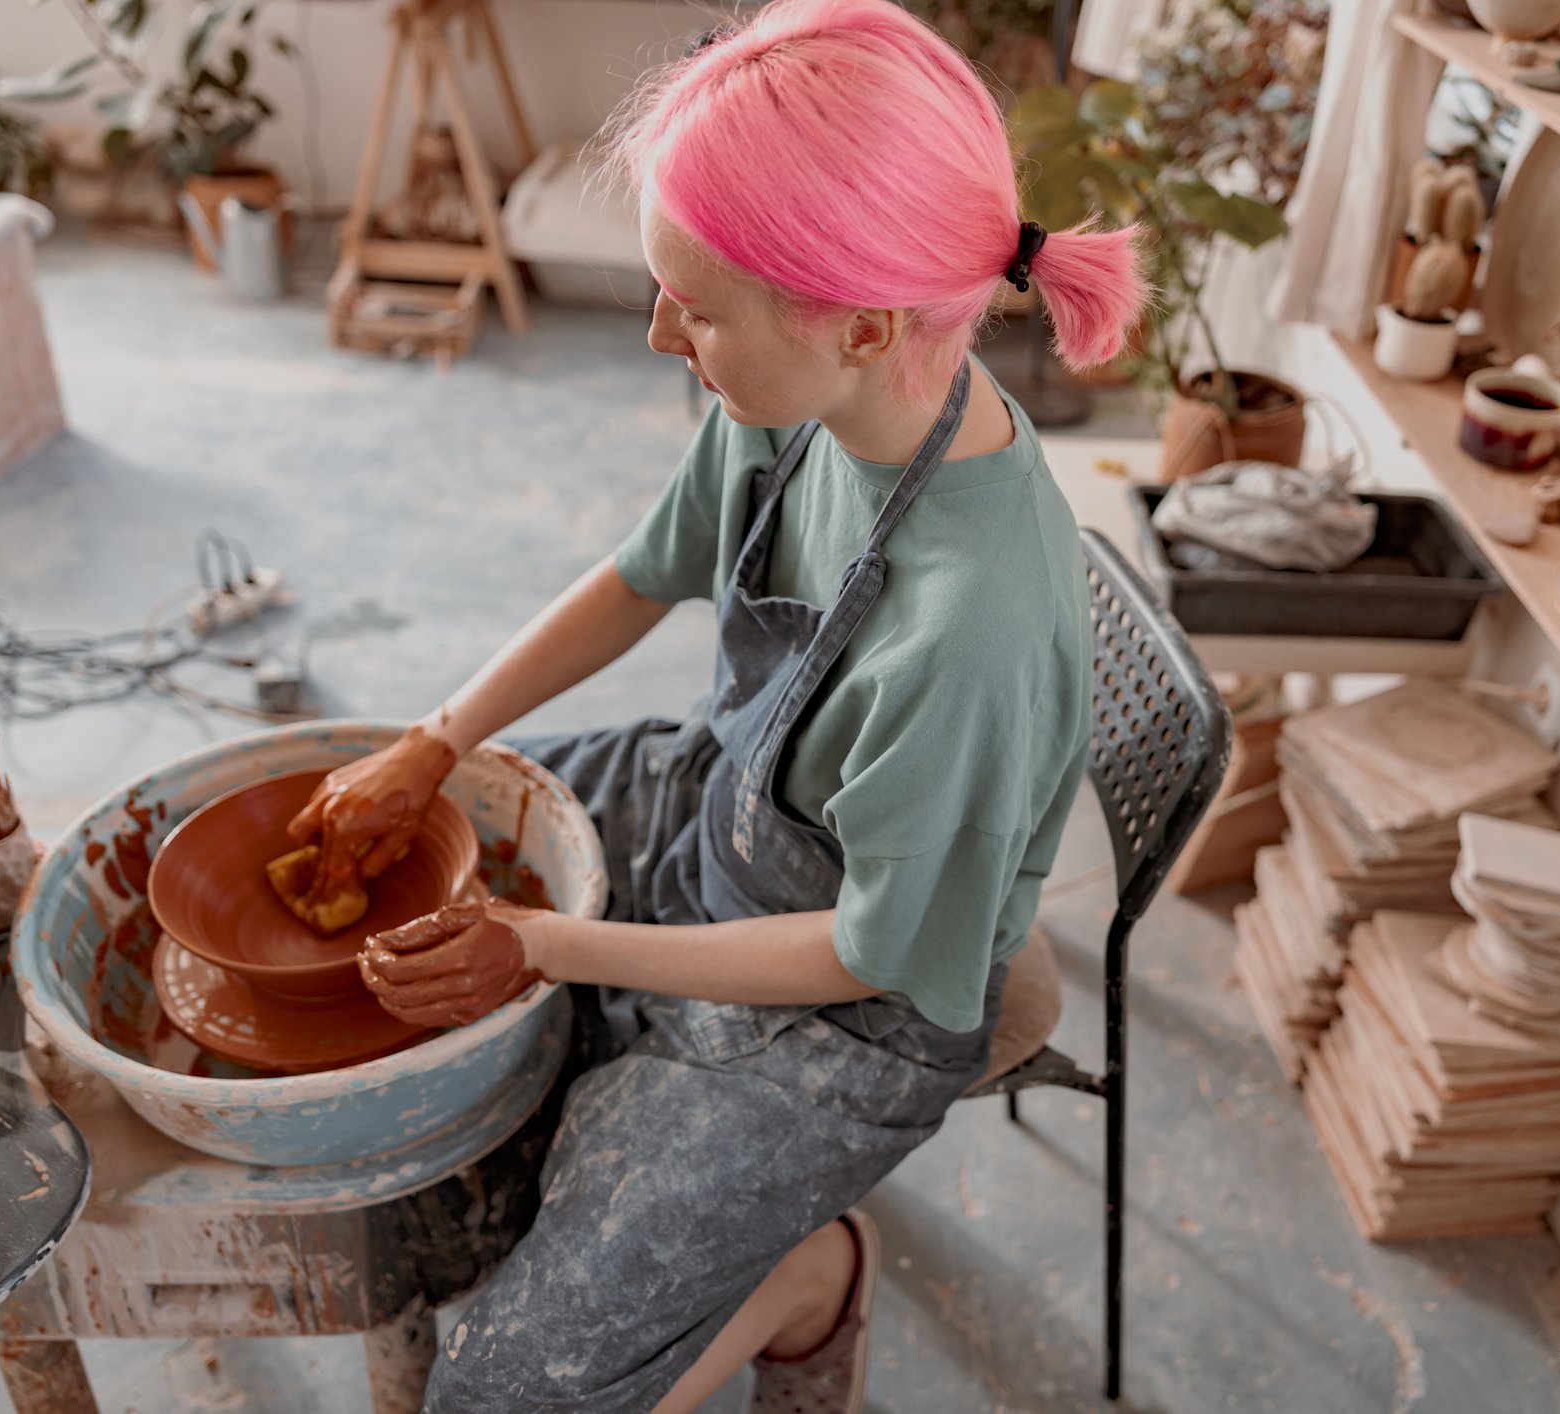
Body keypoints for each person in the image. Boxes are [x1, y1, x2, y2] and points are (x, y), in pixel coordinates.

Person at [289, 1, 1147, 1407]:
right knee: (422, 883)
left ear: (860, 322)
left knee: (504, 1391)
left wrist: (556, 943)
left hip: (854, 999)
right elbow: (642, 573)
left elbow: (874, 951)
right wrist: (436, 740)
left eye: (692, 305)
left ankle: (813, 1283)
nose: (652, 332)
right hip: (716, 806)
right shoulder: (798, 397)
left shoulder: (972, 624)